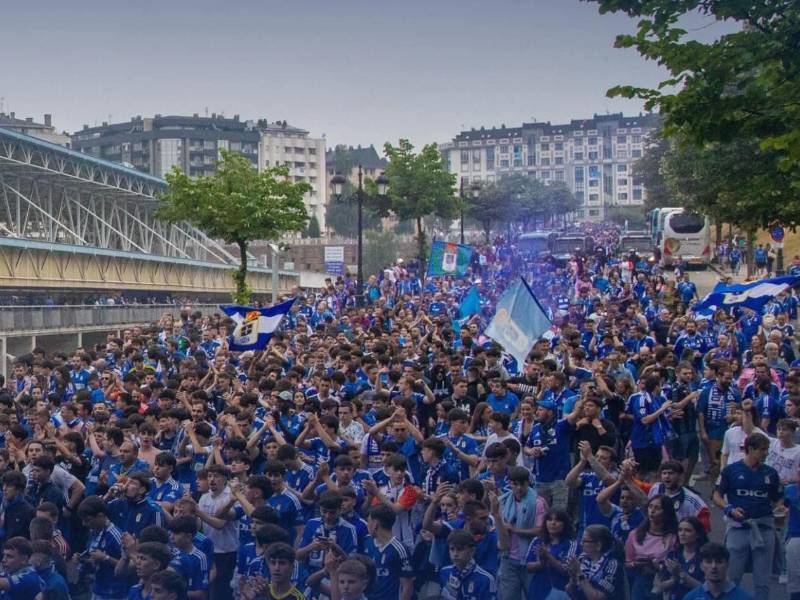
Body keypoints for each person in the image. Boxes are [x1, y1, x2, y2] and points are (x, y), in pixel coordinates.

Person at [712, 432, 781, 599]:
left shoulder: (771, 473)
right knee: (732, 577)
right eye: (762, 450)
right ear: (750, 449)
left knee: (763, 580)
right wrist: (729, 509)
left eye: (767, 449)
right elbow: (716, 496)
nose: (765, 453)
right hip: (738, 528)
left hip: (763, 529)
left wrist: (780, 509)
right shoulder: (731, 470)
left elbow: (777, 499)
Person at [625, 494, 680, 600]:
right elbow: (627, 562)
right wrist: (634, 564)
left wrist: (657, 566)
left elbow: (677, 563)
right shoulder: (635, 535)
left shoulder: (673, 537)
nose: (652, 511)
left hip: (663, 582)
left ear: (666, 512)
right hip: (640, 582)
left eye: (657, 508)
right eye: (650, 506)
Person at [524, 509, 579, 600]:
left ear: (565, 523)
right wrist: (542, 563)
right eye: (549, 519)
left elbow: (567, 570)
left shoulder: (572, 544)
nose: (553, 523)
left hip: (560, 592)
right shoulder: (537, 541)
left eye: (557, 520)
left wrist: (548, 557)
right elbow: (528, 566)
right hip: (537, 591)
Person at [565, 524, 625, 600]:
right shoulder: (582, 559)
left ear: (598, 545)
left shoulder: (612, 564)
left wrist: (579, 574)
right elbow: (570, 593)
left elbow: (597, 598)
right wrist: (573, 578)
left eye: (585, 541)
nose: (581, 544)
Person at [682, 542, 754, 600]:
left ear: (727, 565)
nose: (714, 566)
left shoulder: (744, 598)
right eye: (709, 562)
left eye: (719, 562)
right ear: (701, 566)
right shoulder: (690, 598)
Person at [438, 529, 497, 600]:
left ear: (472, 551)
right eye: (452, 549)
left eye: (460, 549)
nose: (455, 554)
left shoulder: (485, 580)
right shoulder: (444, 572)